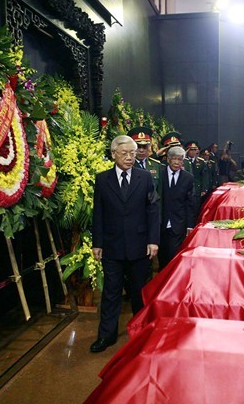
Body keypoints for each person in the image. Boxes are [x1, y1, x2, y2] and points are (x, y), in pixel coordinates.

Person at [90, 135, 160, 353]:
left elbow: (152, 211)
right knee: (111, 293)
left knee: (139, 293)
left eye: (132, 153)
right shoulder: (102, 180)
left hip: (140, 246)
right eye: (125, 153)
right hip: (112, 246)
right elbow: (98, 214)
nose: (130, 157)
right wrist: (97, 243)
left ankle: (141, 334)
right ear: (113, 154)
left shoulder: (145, 177)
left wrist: (153, 241)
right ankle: (106, 336)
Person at [159, 146, 196, 272]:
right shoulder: (159, 173)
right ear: (168, 160)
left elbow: (190, 203)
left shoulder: (188, 178)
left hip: (178, 222)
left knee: (173, 255)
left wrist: (190, 225)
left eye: (180, 160)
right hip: (160, 222)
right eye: (174, 159)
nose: (176, 162)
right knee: (162, 256)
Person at [128, 126, 162, 192]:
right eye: (138, 146)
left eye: (144, 146)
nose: (141, 150)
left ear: (149, 146)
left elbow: (160, 192)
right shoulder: (127, 165)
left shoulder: (156, 165)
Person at [183, 140, 209, 224]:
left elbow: (204, 176)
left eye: (195, 149)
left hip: (197, 189)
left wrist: (204, 189)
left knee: (195, 209)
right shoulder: (183, 161)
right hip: (186, 189)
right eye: (191, 149)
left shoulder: (201, 162)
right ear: (187, 150)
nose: (193, 151)